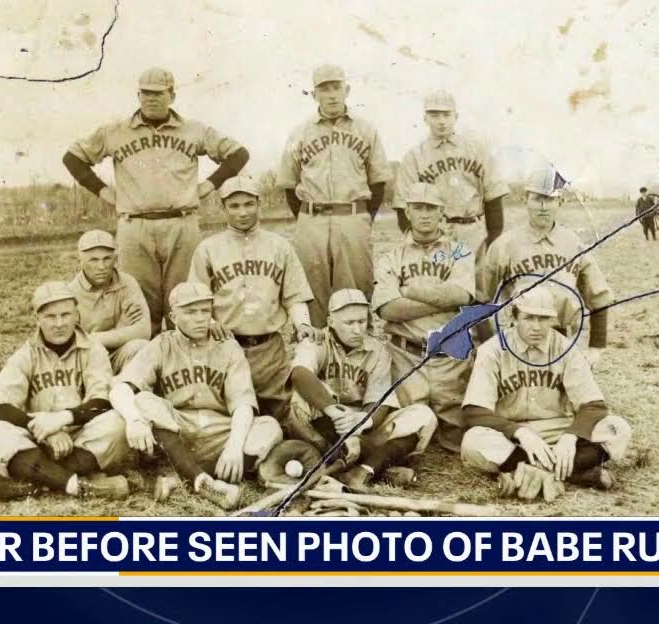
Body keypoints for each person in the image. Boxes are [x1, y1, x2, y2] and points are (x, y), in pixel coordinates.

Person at [63, 67, 250, 334]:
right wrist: (102, 191)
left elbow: (238, 154)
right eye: (145, 93)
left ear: (172, 96)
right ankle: (146, 358)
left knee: (185, 300)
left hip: (181, 224)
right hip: (134, 226)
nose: (150, 99)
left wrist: (210, 185)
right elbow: (73, 158)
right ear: (138, 95)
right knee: (140, 306)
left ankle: (184, 357)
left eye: (158, 94)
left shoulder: (194, 130)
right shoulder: (115, 131)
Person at [109, 282, 283, 510]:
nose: (200, 318)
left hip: (218, 431)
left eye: (205, 311)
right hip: (177, 430)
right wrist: (134, 419)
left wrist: (234, 446)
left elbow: (243, 403)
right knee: (143, 401)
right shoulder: (162, 345)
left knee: (269, 427)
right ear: (173, 317)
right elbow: (120, 387)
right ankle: (201, 479)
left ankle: (181, 478)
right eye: (191, 312)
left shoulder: (228, 347)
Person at [461, 287, 632, 500]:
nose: (536, 326)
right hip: (511, 435)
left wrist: (571, 436)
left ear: (553, 319)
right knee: (472, 442)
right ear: (514, 317)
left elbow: (594, 405)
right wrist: (520, 433)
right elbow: (474, 411)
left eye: (543, 319)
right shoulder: (492, 350)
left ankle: (529, 470)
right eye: (529, 318)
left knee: (618, 429)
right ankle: (575, 473)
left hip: (558, 429)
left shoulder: (566, 349)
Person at [0, 282, 130, 500]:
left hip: (80, 437)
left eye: (65, 315)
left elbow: (102, 402)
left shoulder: (93, 349)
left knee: (118, 424)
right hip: (35, 440)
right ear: (37, 318)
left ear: (76, 315)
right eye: (50, 316)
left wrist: (62, 419)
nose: (59, 323)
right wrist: (46, 430)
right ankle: (76, 485)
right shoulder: (26, 354)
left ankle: (35, 478)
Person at [189, 175, 314, 422]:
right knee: (228, 416)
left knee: (283, 415)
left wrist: (303, 325)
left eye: (249, 204)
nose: (243, 212)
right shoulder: (208, 248)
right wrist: (211, 323)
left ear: (259, 204)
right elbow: (196, 300)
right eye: (234, 206)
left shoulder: (279, 246)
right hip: (224, 346)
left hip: (269, 349)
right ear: (223, 208)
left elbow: (295, 295)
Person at [289, 289, 438, 491]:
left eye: (361, 321)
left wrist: (362, 422)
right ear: (331, 322)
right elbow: (299, 374)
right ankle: (377, 465)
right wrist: (333, 411)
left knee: (423, 415)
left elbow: (379, 402)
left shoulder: (377, 350)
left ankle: (361, 470)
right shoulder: (317, 342)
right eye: (349, 323)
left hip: (362, 427)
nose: (357, 330)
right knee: (298, 400)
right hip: (327, 423)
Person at [277, 64, 390, 326]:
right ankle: (315, 345)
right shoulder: (300, 132)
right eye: (324, 89)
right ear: (313, 94)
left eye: (336, 87)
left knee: (355, 290)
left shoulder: (366, 129)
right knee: (310, 290)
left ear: (346, 90)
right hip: (311, 219)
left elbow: (378, 182)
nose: (331, 95)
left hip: (352, 216)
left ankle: (356, 347)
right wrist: (306, 217)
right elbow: (289, 184)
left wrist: (362, 218)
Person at [374, 183, 476, 451]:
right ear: (407, 211)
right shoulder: (391, 257)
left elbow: (461, 295)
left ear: (442, 212)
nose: (425, 214)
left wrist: (409, 291)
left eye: (431, 208)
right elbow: (388, 309)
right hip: (405, 358)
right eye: (418, 207)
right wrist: (441, 302)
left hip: (450, 360)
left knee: (459, 439)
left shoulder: (460, 252)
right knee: (404, 435)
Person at [478, 167, 614, 359]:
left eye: (550, 199)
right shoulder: (505, 244)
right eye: (537, 199)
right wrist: (489, 343)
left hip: (562, 339)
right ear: (525, 200)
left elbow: (599, 296)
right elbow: (481, 299)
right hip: (518, 341)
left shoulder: (573, 243)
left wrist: (596, 347)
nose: (543, 207)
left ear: (560, 202)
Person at [393, 90, 509, 264]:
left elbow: (494, 199)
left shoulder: (477, 150)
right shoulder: (414, 157)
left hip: (474, 231)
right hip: (434, 234)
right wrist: (419, 243)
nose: (441, 121)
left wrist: (493, 240)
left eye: (446, 115)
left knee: (477, 281)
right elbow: (403, 207)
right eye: (434, 115)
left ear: (456, 116)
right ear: (425, 118)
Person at [69, 229, 151, 373]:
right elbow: (72, 344)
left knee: (140, 347)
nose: (101, 267)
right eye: (93, 260)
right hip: (87, 361)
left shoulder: (127, 283)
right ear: (80, 261)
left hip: (119, 355)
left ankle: (125, 384)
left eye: (107, 258)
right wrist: (121, 328)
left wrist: (92, 338)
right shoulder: (70, 293)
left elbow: (144, 331)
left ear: (116, 259)